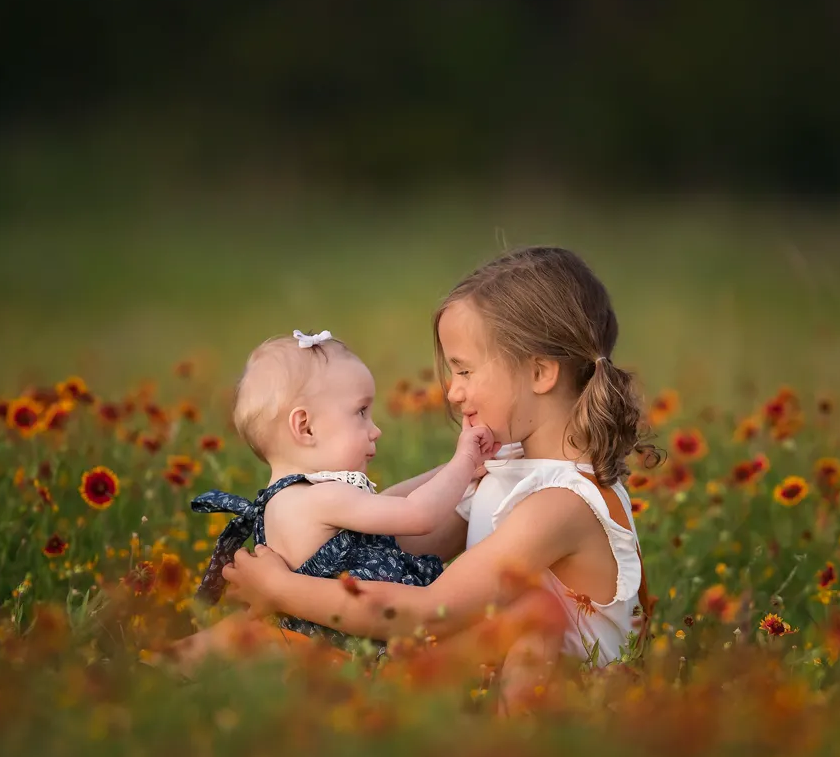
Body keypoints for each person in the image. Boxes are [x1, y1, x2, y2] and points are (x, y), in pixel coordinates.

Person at [222, 247, 656, 711]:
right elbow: (379, 543)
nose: (453, 391)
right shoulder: (507, 471)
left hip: (567, 704)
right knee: (249, 640)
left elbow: (430, 612)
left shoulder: (559, 506)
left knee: (271, 651)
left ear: (540, 372)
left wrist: (282, 589)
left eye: (465, 370)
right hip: (477, 670)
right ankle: (153, 680)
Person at [163, 329, 498, 672]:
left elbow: (389, 501)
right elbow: (416, 513)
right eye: (361, 412)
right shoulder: (322, 498)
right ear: (305, 427)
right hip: (342, 654)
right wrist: (463, 461)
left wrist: (450, 473)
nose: (375, 429)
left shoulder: (291, 497)